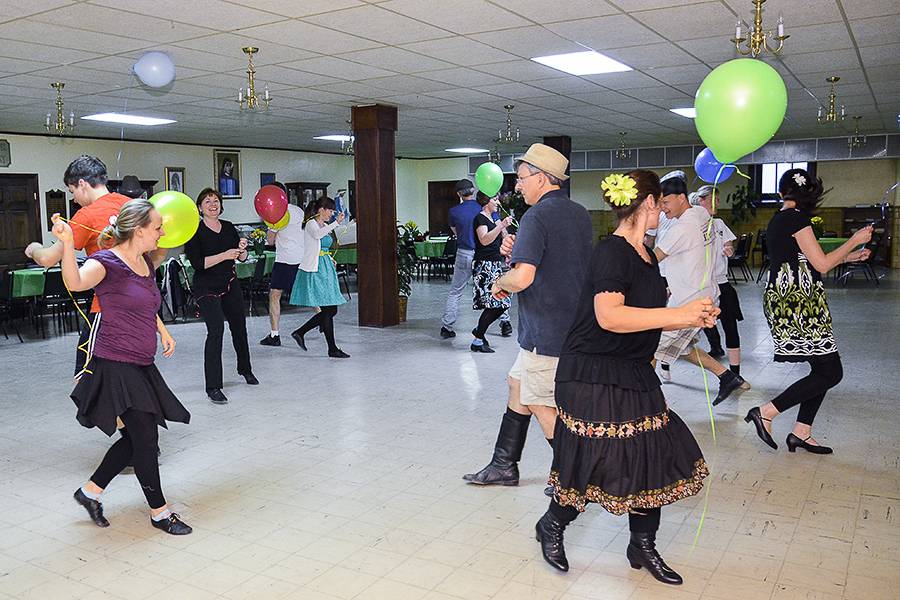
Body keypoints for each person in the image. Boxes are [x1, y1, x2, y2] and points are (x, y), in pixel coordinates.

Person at [535, 170, 711, 584]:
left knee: (652, 454)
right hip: (590, 371)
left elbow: (640, 316)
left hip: (632, 369)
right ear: (648, 203)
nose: (662, 211)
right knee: (593, 457)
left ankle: (642, 544)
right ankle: (552, 524)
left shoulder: (646, 255)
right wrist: (678, 315)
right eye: (659, 203)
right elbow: (609, 316)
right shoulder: (611, 252)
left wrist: (693, 315)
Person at [52, 200, 192, 535]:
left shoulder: (145, 262)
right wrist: (68, 244)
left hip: (142, 363)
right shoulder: (106, 262)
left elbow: (145, 304)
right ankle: (160, 513)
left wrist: (162, 330)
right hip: (115, 364)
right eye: (157, 227)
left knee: (134, 438)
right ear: (139, 230)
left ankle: (90, 492)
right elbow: (75, 281)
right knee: (146, 438)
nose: (162, 232)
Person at [463, 144, 592, 490]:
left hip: (546, 330)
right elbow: (558, 260)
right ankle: (503, 465)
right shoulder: (579, 213)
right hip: (571, 325)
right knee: (517, 384)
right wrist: (517, 249)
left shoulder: (538, 215)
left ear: (541, 178)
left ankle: (574, 474)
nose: (517, 186)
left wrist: (499, 283)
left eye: (521, 179)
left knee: (539, 401)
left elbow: (522, 278)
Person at [745, 169, 872, 454]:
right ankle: (765, 412)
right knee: (831, 371)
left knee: (823, 369)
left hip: (791, 300)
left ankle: (801, 433)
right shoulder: (797, 219)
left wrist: (850, 256)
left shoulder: (781, 218)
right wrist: (853, 240)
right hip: (798, 304)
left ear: (781, 193)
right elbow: (822, 265)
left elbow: (808, 261)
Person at [24, 155, 138, 379]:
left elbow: (48, 258)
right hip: (139, 305)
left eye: (72, 191)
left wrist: (34, 249)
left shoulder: (86, 215)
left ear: (82, 184)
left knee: (87, 377)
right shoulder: (132, 206)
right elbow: (157, 251)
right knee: (126, 373)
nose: (74, 199)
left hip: (107, 306)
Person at [652, 172, 748, 405]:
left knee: (651, 346)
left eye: (665, 202)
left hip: (690, 303)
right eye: (660, 204)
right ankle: (727, 377)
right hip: (704, 295)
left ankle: (643, 400)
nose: (663, 209)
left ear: (681, 197)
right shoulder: (701, 213)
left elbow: (652, 259)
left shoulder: (681, 229)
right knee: (682, 348)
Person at [184, 188, 258, 405]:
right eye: (207, 201)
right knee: (216, 331)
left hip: (229, 282)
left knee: (239, 327)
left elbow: (241, 258)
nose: (212, 204)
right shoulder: (194, 230)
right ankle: (213, 386)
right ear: (200, 207)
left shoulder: (228, 227)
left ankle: (245, 369)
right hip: (206, 286)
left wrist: (242, 249)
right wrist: (225, 255)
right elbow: (198, 264)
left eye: (215, 200)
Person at [441, 179, 512, 340]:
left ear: (459, 194)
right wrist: (507, 247)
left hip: (465, 253)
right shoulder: (485, 208)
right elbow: (502, 231)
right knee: (497, 288)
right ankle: (505, 322)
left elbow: (456, 233)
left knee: (456, 291)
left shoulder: (453, 211)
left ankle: (447, 326)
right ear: (473, 191)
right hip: (486, 256)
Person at [288, 196, 350, 359]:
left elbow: (322, 246)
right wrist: (336, 223)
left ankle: (301, 332)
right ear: (321, 210)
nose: (331, 214)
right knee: (328, 309)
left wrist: (329, 258)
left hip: (325, 267)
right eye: (330, 210)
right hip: (316, 270)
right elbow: (317, 236)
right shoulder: (311, 224)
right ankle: (332, 348)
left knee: (331, 309)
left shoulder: (324, 225)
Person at [692, 186, 744, 372]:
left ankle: (735, 372)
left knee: (731, 327)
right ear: (701, 201)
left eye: (718, 200)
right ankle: (666, 362)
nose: (718, 203)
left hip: (722, 283)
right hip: (702, 285)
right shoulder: (692, 226)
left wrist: (728, 249)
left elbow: (728, 244)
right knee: (689, 328)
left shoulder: (719, 223)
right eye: (714, 199)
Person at [259, 182, 306, 347]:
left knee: (275, 294)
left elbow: (270, 241)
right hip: (302, 257)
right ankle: (324, 321)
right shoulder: (298, 210)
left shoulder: (277, 214)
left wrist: (271, 231)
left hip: (286, 260)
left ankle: (274, 335)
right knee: (308, 294)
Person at [470, 192, 514, 353]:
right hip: (484, 265)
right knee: (493, 303)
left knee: (503, 303)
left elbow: (502, 238)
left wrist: (503, 228)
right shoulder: (480, 218)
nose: (497, 202)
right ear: (486, 201)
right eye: (495, 199)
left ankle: (479, 331)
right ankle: (478, 339)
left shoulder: (494, 218)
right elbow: (484, 240)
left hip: (495, 264)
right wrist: (500, 226)